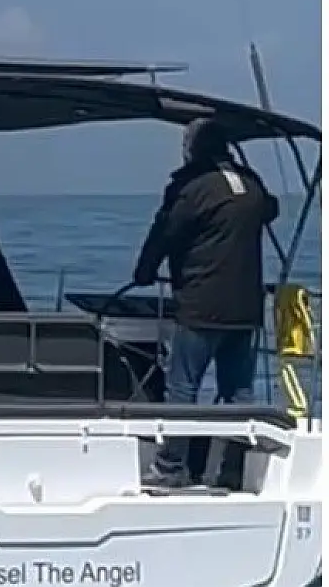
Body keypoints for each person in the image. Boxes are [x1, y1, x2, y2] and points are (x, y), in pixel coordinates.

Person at [131, 117, 279, 489]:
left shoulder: (191, 187)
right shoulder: (251, 184)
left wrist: (144, 271)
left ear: (193, 148)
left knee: (183, 388)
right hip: (246, 307)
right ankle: (234, 468)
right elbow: (271, 209)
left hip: (201, 303)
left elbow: (166, 231)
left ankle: (170, 468)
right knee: (239, 391)